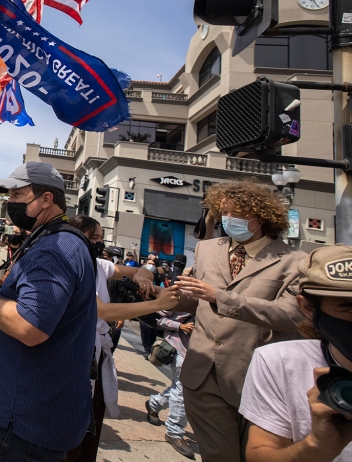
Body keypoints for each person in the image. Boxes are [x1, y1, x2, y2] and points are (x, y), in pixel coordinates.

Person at [0, 162, 96, 461]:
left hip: (23, 426)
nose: (11, 203)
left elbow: (29, 326)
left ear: (47, 199)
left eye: (18, 195)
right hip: (27, 417)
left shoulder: (56, 248)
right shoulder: (50, 240)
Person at [173, 181, 308, 462]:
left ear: (261, 218)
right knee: (220, 455)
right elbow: (192, 299)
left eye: (236, 215)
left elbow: (293, 315)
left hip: (258, 380)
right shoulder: (207, 249)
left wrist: (221, 298)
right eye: (223, 214)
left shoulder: (294, 261)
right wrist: (165, 296)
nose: (227, 221)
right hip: (203, 376)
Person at [64, 215, 181, 462]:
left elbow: (139, 271)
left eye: (99, 238)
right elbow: (103, 311)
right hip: (75, 356)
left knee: (92, 423)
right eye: (91, 237)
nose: (97, 243)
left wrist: (141, 276)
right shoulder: (72, 264)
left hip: (96, 354)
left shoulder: (99, 265)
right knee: (71, 428)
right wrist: (156, 305)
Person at [240, 245, 352, 462]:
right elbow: (259, 453)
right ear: (308, 308)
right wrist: (315, 447)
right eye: (350, 308)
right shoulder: (281, 363)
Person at [146, 308, 195, 459]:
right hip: (179, 348)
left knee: (181, 388)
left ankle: (154, 404)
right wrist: (180, 326)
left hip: (198, 354)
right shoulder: (183, 293)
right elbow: (158, 318)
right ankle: (174, 431)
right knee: (183, 389)